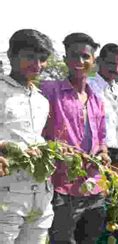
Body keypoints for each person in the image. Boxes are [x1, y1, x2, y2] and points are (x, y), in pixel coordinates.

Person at [41, 32, 110, 243]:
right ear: (64, 59)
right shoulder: (49, 91)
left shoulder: (97, 100)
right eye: (73, 56)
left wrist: (104, 152)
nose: (79, 62)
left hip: (94, 184)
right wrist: (54, 147)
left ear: (93, 61)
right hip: (63, 184)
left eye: (85, 56)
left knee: (91, 239)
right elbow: (36, 132)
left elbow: (101, 137)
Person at [0, 29, 54, 244]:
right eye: (30, 56)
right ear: (12, 55)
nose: (37, 64)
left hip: (40, 194)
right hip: (6, 192)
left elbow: (34, 139)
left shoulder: (42, 100)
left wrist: (51, 150)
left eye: (42, 59)